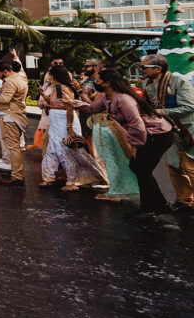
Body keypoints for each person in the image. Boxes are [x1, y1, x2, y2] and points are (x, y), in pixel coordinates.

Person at [81, 67, 173, 219]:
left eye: (98, 81)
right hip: (150, 135)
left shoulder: (124, 99)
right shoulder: (107, 97)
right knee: (140, 168)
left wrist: (134, 146)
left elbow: (137, 125)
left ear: (107, 83)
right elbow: (92, 108)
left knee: (141, 168)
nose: (95, 83)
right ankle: (160, 205)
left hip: (160, 135)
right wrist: (72, 102)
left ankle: (149, 208)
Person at [139, 54, 194, 215]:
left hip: (188, 129)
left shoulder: (178, 82)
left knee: (190, 166)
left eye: (144, 67)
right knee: (173, 165)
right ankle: (184, 200)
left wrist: (160, 112)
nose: (141, 70)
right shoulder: (147, 83)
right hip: (168, 130)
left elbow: (189, 106)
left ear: (158, 68)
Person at [38, 65, 106, 191]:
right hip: (56, 119)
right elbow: (55, 102)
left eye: (50, 75)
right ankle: (49, 177)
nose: (48, 77)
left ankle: (72, 181)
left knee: (65, 150)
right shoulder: (57, 88)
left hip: (63, 119)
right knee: (53, 148)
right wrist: (44, 95)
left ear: (54, 76)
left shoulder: (61, 88)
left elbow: (69, 106)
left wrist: (69, 127)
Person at [0, 60, 29, 185]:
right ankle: (16, 172)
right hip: (15, 115)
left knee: (13, 147)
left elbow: (4, 99)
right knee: (14, 146)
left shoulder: (11, 81)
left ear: (5, 72)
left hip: (10, 116)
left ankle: (17, 176)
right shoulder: (21, 79)